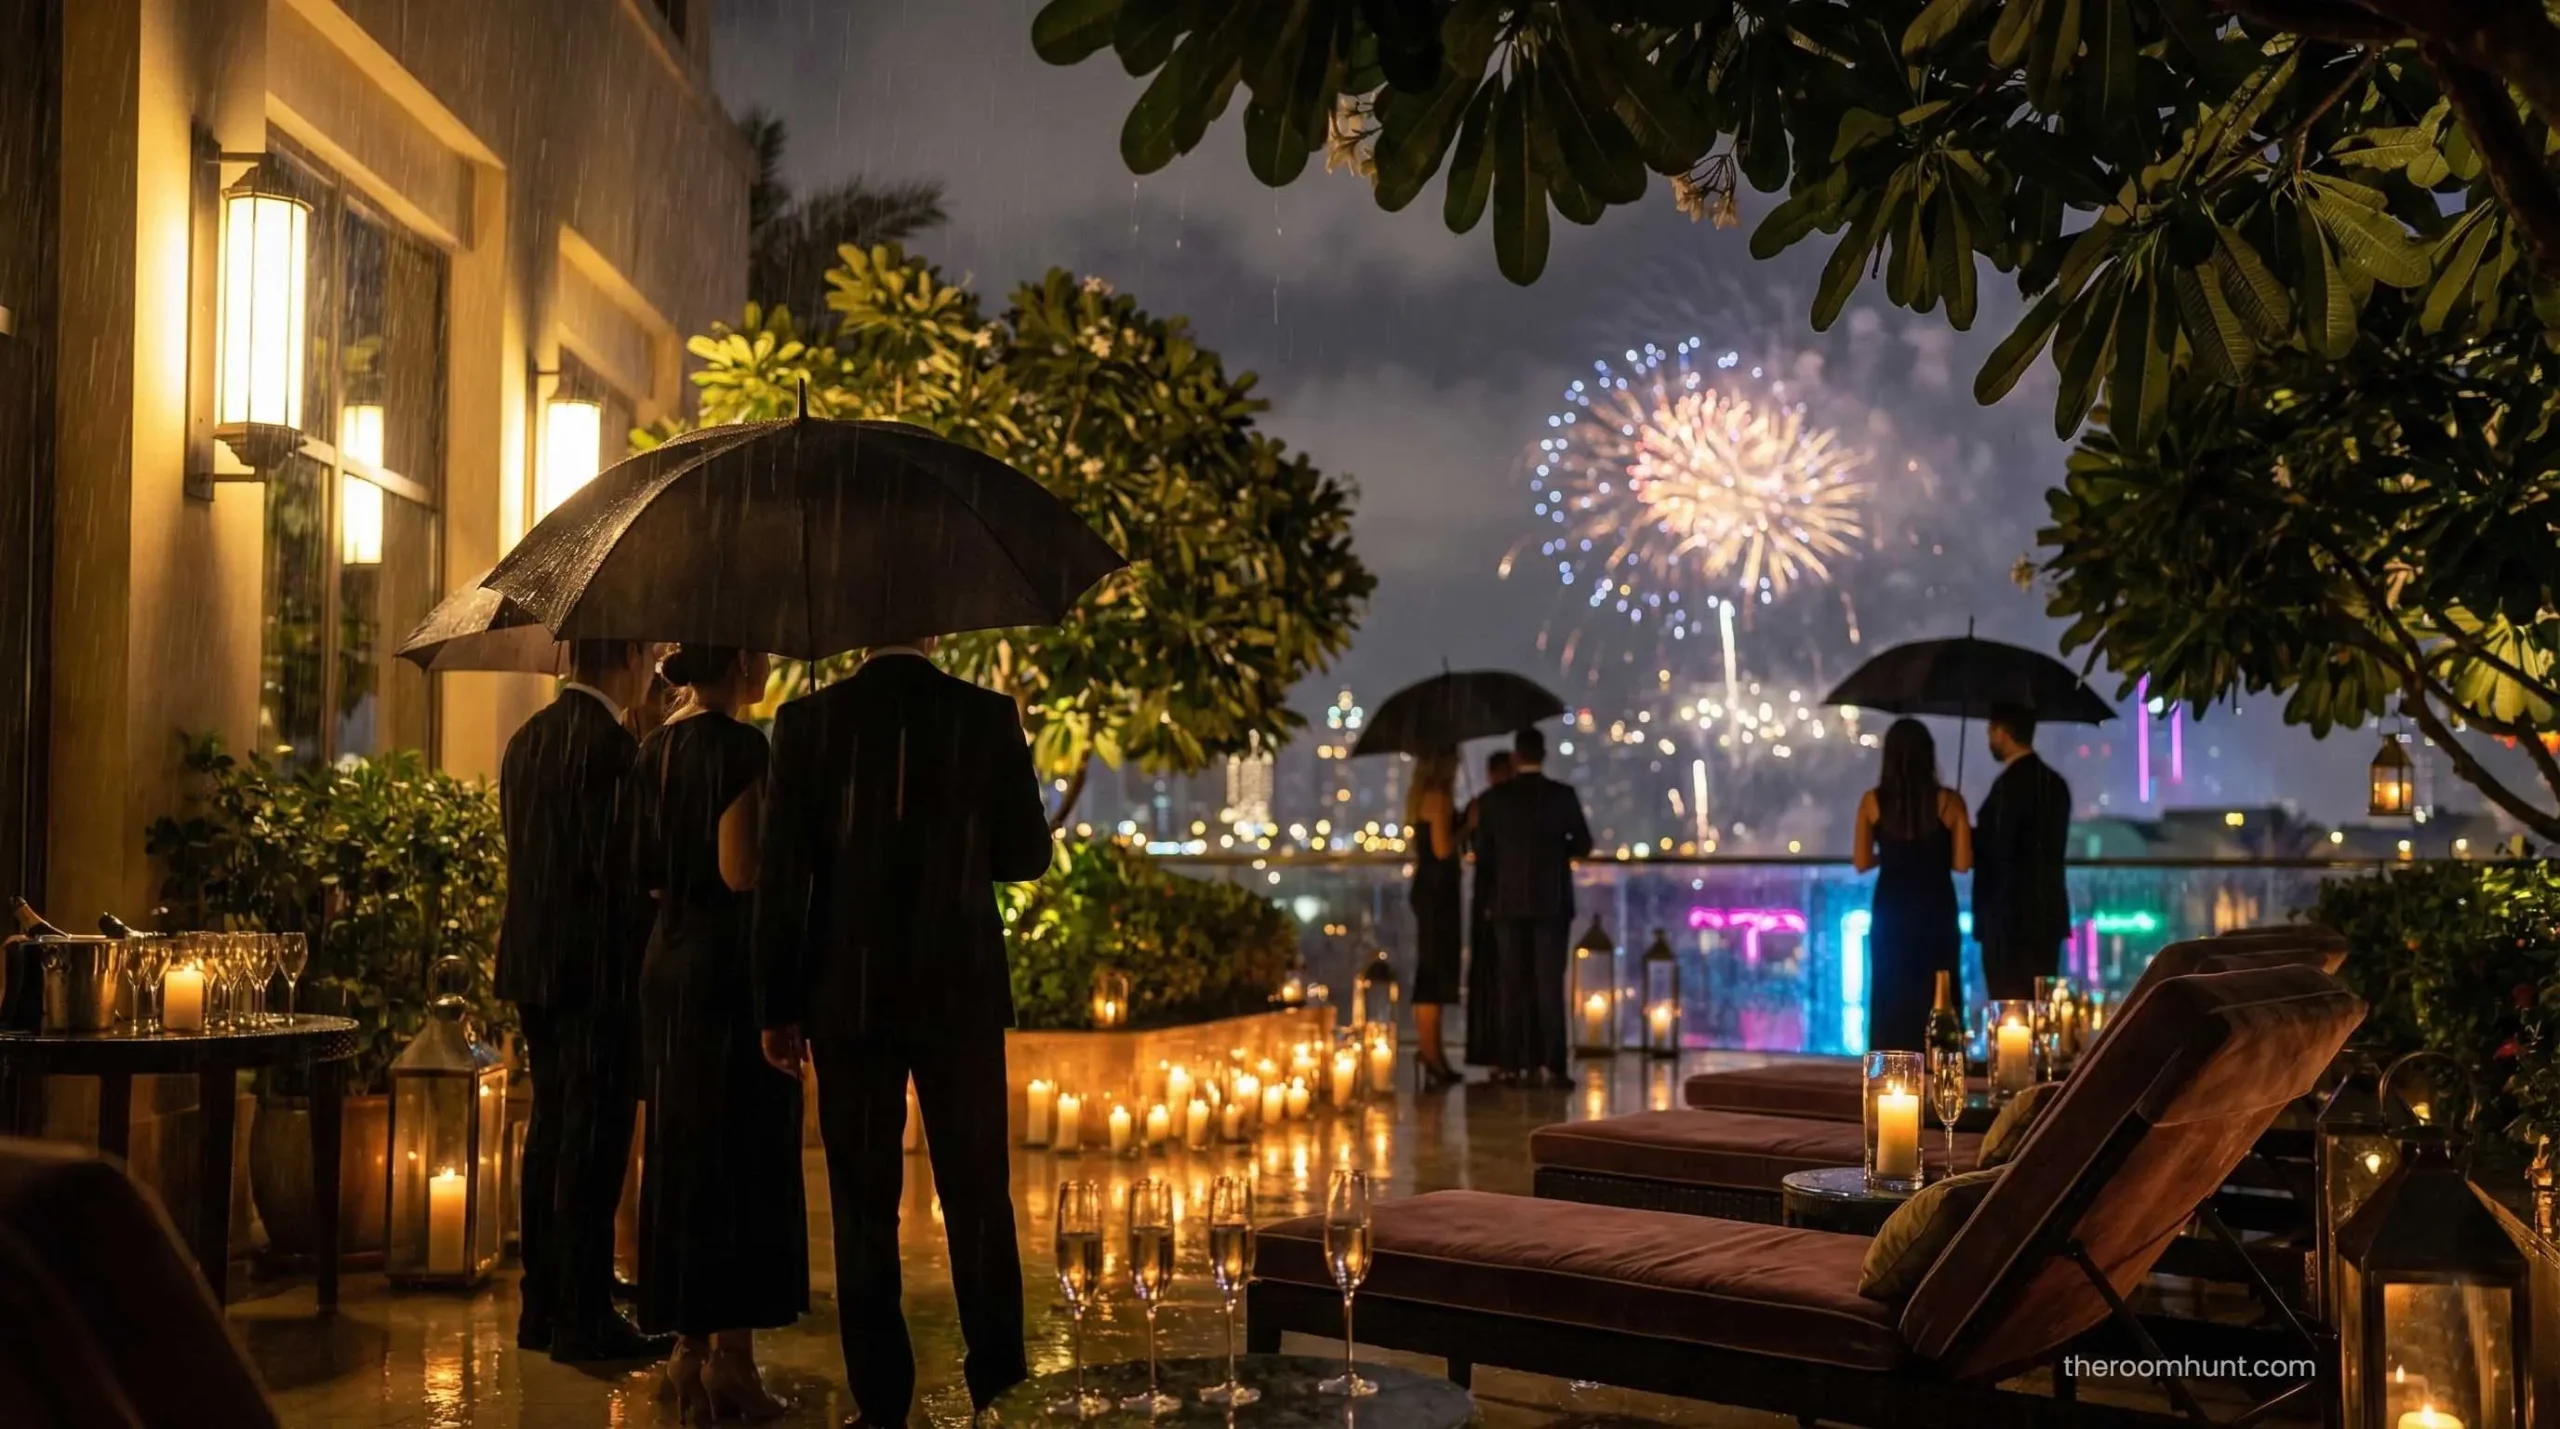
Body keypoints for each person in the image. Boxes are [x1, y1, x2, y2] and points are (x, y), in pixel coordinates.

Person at [752, 637, 1052, 1427]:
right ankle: (1000, 1389)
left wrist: (776, 1005)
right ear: (935, 631)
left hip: (848, 996)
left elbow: (782, 875)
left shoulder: (808, 722)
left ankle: (882, 1402)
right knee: (979, 1196)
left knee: (862, 1206)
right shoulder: (984, 716)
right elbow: (1028, 854)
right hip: (959, 992)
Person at [629, 645, 805, 1420]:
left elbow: (649, 872)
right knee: (738, 1159)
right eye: (760, 653)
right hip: (727, 975)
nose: (766, 665)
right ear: (738, 660)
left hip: (667, 960)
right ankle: (732, 1359)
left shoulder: (655, 748)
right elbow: (740, 869)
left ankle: (687, 1347)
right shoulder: (741, 747)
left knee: (682, 1153)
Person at [497, 639, 668, 1363]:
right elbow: (626, 874)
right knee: (594, 1140)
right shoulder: (613, 751)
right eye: (649, 655)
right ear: (628, 655)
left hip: (535, 963)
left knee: (551, 1129)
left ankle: (543, 1301)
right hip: (597, 972)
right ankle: (584, 1313)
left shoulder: (527, 740)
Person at [1469, 726, 1594, 1085]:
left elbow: (1484, 854)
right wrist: (1556, 852)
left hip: (1507, 904)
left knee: (1511, 984)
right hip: (1552, 902)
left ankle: (1512, 1062)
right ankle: (1553, 1064)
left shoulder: (1494, 800)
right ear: (1544, 754)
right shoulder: (1562, 796)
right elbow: (1583, 844)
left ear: (1516, 756)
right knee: (1549, 985)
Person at [1852, 719, 1972, 1051]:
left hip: (1891, 908)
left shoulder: (1871, 802)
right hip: (1936, 908)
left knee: (1891, 988)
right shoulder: (1950, 803)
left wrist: (1892, 855)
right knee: (1940, 988)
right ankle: (1941, 1058)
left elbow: (1861, 861)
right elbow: (1962, 864)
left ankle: (1890, 1060)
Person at [1972, 704, 2074, 1000]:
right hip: (2046, 916)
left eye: (1990, 731)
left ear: (2003, 733)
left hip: (2006, 921)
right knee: (2041, 1003)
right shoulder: (2054, 784)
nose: (1989, 739)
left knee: (2008, 1005)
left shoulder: (2006, 788)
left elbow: (1997, 850)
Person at [1402, 750, 1464, 1089]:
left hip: (1429, 888)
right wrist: (1467, 825)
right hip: (1438, 892)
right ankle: (1430, 1052)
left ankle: (1433, 1052)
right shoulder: (1438, 797)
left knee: (1433, 966)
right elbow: (1442, 849)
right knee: (1435, 969)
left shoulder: (1421, 798)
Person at [1460, 749, 1513, 1072]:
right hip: (1501, 898)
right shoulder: (1506, 805)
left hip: (1486, 899)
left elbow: (1470, 849)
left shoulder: (1483, 804)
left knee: (1488, 972)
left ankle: (1490, 1049)